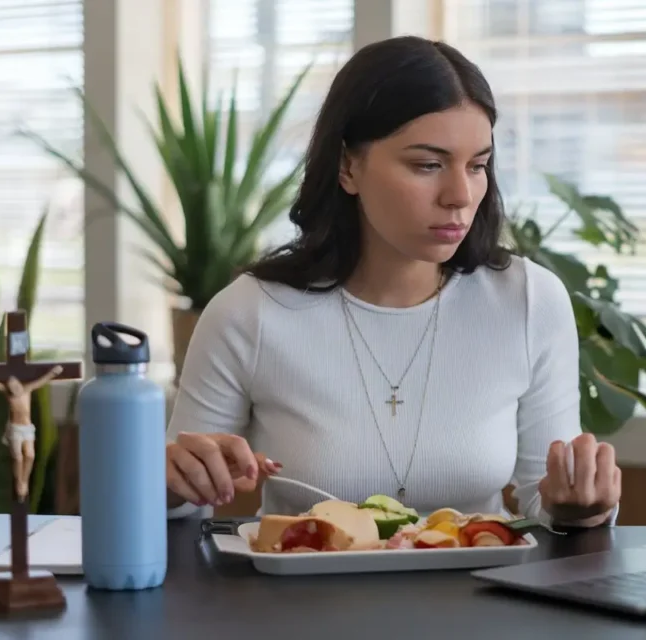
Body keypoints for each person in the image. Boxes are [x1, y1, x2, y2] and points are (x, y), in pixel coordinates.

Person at [165, 35, 622, 528]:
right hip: (303, 601)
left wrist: (585, 506)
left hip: (477, 596)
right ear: (347, 166)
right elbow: (181, 506)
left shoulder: (529, 300)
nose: (459, 195)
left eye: (478, 166)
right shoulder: (250, 313)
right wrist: (171, 485)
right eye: (427, 165)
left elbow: (546, 503)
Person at [0, 364, 65, 502]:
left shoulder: (27, 390)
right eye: (11, 386)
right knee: (17, 457)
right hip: (15, 429)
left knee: (30, 455)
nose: (14, 388)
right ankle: (19, 482)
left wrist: (53, 373)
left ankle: (24, 480)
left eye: (15, 385)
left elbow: (41, 381)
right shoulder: (9, 395)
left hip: (27, 428)